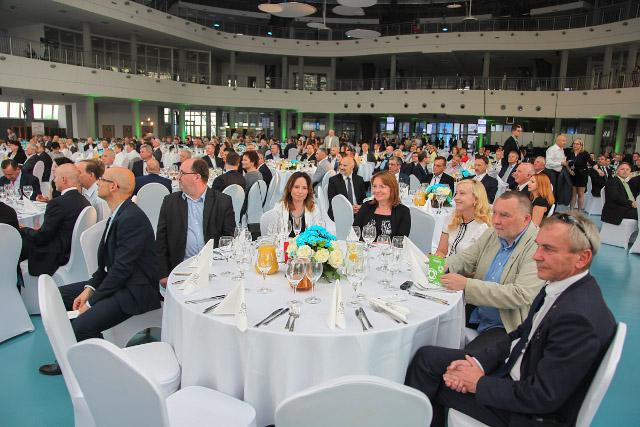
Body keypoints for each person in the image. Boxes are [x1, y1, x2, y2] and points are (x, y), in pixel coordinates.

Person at [405, 212, 615, 427]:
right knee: (427, 358)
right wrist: (477, 363)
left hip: (526, 412)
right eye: (538, 246)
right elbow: (520, 334)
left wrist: (478, 383)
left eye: (548, 249)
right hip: (516, 374)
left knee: (434, 378)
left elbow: (542, 396)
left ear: (582, 258)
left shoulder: (578, 318)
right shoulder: (560, 288)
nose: (536, 256)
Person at [39, 167, 162, 376]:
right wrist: (89, 288)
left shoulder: (131, 218)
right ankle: (72, 356)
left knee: (81, 326)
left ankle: (104, 370)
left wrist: (90, 303)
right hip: (120, 281)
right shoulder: (119, 213)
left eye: (103, 180)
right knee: (58, 296)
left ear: (114, 186)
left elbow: (121, 270)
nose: (98, 182)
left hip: (135, 289)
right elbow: (107, 266)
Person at [440, 191, 544, 353]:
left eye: (504, 215)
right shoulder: (493, 234)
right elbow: (466, 259)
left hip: (505, 325)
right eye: (494, 213)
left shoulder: (538, 247)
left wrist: (467, 285)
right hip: (476, 311)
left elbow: (521, 294)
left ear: (526, 219)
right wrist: (439, 265)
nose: (495, 220)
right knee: (432, 326)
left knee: (456, 362)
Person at [156, 158, 235, 287]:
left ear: (197, 177)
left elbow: (228, 239)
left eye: (182, 173)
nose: (178, 177)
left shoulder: (222, 201)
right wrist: (163, 273)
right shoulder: (170, 202)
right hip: (181, 270)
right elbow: (161, 241)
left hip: (213, 269)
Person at [21, 164, 90, 276]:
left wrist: (24, 229)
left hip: (56, 254)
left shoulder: (58, 203)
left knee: (18, 242)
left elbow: (41, 238)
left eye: (55, 177)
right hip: (71, 250)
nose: (53, 180)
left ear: (63, 179)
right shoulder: (83, 200)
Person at [435, 179, 491, 257]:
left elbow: (478, 263)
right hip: (446, 263)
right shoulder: (452, 217)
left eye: (462, 193)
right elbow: (441, 252)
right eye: (456, 193)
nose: (455, 198)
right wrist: (436, 261)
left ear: (476, 199)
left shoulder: (482, 228)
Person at [353, 171, 411, 237]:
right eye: (374, 186)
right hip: (364, 244)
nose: (377, 190)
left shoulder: (403, 212)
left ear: (392, 188)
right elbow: (355, 232)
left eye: (382, 187)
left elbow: (400, 240)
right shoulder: (366, 206)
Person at [272, 172, 322, 237]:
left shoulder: (314, 209)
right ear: (290, 188)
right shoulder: (279, 208)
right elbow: (273, 235)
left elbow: (319, 234)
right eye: (296, 187)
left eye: (304, 188)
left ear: (308, 191)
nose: (300, 191)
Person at [327, 156, 366, 220]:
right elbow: (332, 200)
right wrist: (349, 207)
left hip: (357, 212)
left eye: (345, 165)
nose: (341, 167)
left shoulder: (359, 179)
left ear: (352, 167)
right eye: (340, 165)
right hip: (341, 211)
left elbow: (364, 197)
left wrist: (360, 206)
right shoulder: (333, 180)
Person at [567, 138, 592, 210]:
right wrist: (569, 171)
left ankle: (579, 212)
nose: (575, 145)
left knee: (580, 195)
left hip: (582, 176)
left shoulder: (585, 153)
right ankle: (571, 211)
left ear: (581, 145)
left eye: (577, 144)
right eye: (574, 143)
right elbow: (566, 163)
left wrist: (598, 170)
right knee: (573, 195)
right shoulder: (570, 153)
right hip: (573, 176)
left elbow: (591, 163)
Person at [545, 134, 568, 200]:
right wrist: (561, 163)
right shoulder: (551, 149)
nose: (565, 142)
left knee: (557, 191)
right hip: (551, 172)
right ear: (558, 141)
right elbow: (548, 162)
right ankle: (550, 204)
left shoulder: (562, 149)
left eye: (565, 141)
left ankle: (554, 204)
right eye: (563, 141)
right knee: (552, 190)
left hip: (558, 173)